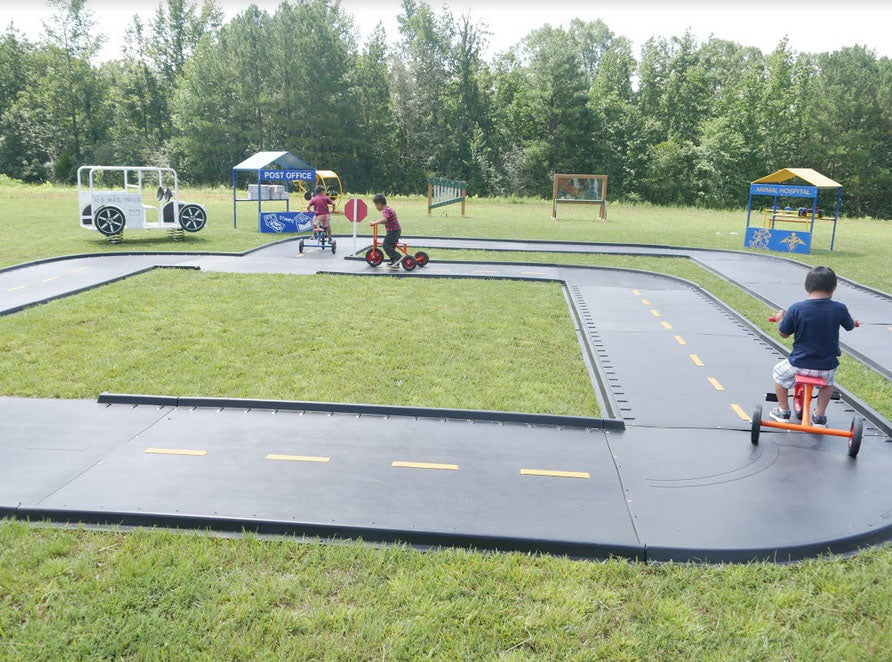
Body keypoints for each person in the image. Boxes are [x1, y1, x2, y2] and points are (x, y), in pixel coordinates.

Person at [769, 266, 857, 425]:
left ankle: (783, 411)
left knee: (778, 374)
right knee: (828, 385)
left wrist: (780, 319)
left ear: (807, 287)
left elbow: (783, 333)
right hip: (826, 366)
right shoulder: (839, 308)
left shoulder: (796, 308)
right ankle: (819, 416)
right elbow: (850, 326)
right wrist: (850, 318)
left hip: (799, 364)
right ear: (834, 288)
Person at [369, 193, 402, 269]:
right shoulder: (389, 208)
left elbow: (385, 219)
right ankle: (394, 261)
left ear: (379, 204)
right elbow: (387, 220)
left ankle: (397, 257)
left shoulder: (385, 210)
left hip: (393, 231)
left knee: (386, 245)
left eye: (376, 205)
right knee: (391, 246)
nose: (376, 207)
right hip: (396, 230)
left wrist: (375, 222)